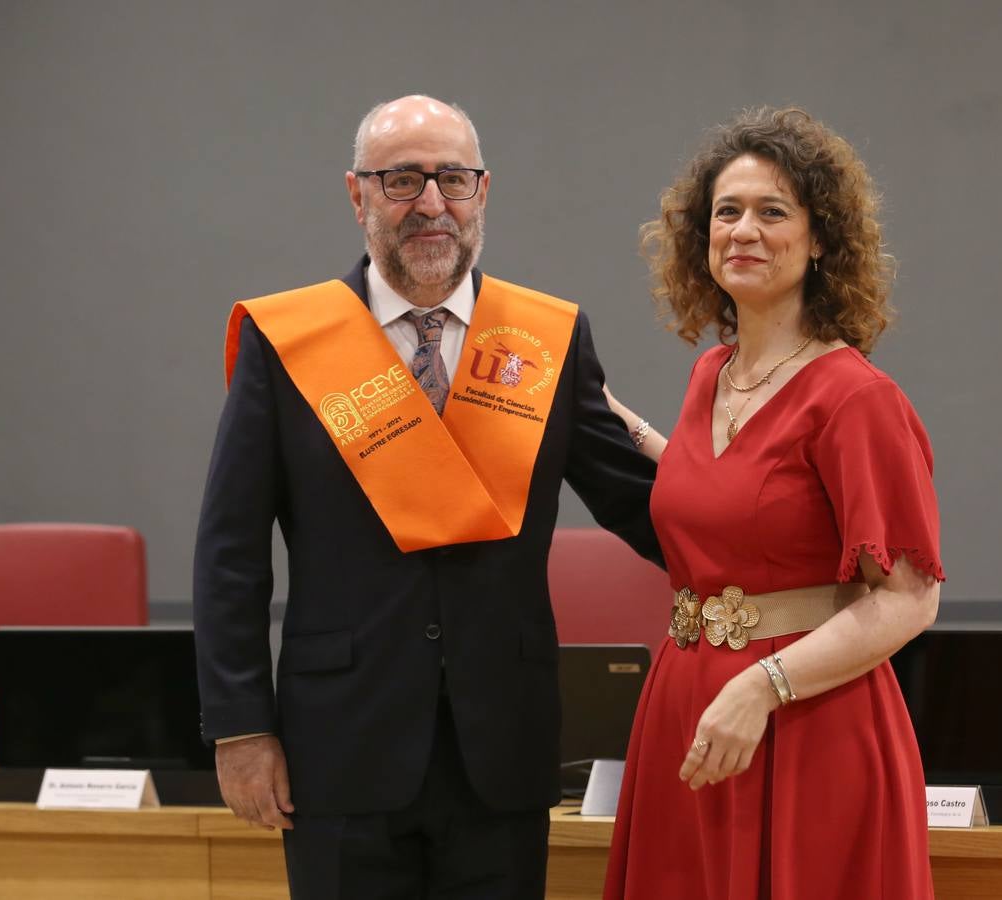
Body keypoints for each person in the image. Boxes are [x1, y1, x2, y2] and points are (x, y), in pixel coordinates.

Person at [191, 95, 661, 900]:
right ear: (357, 194)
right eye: (402, 180)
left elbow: (639, 504)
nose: (432, 204)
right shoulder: (288, 343)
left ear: (485, 191)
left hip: (500, 748)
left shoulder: (546, 339)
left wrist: (774, 548)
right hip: (338, 750)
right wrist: (240, 727)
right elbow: (230, 554)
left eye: (453, 178)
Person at [601, 106, 944, 899]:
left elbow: (908, 600)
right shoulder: (708, 375)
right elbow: (732, 494)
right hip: (686, 707)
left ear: (820, 239)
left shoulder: (856, 398)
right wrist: (614, 423)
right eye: (726, 212)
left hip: (804, 720)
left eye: (771, 212)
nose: (743, 231)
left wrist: (761, 687)